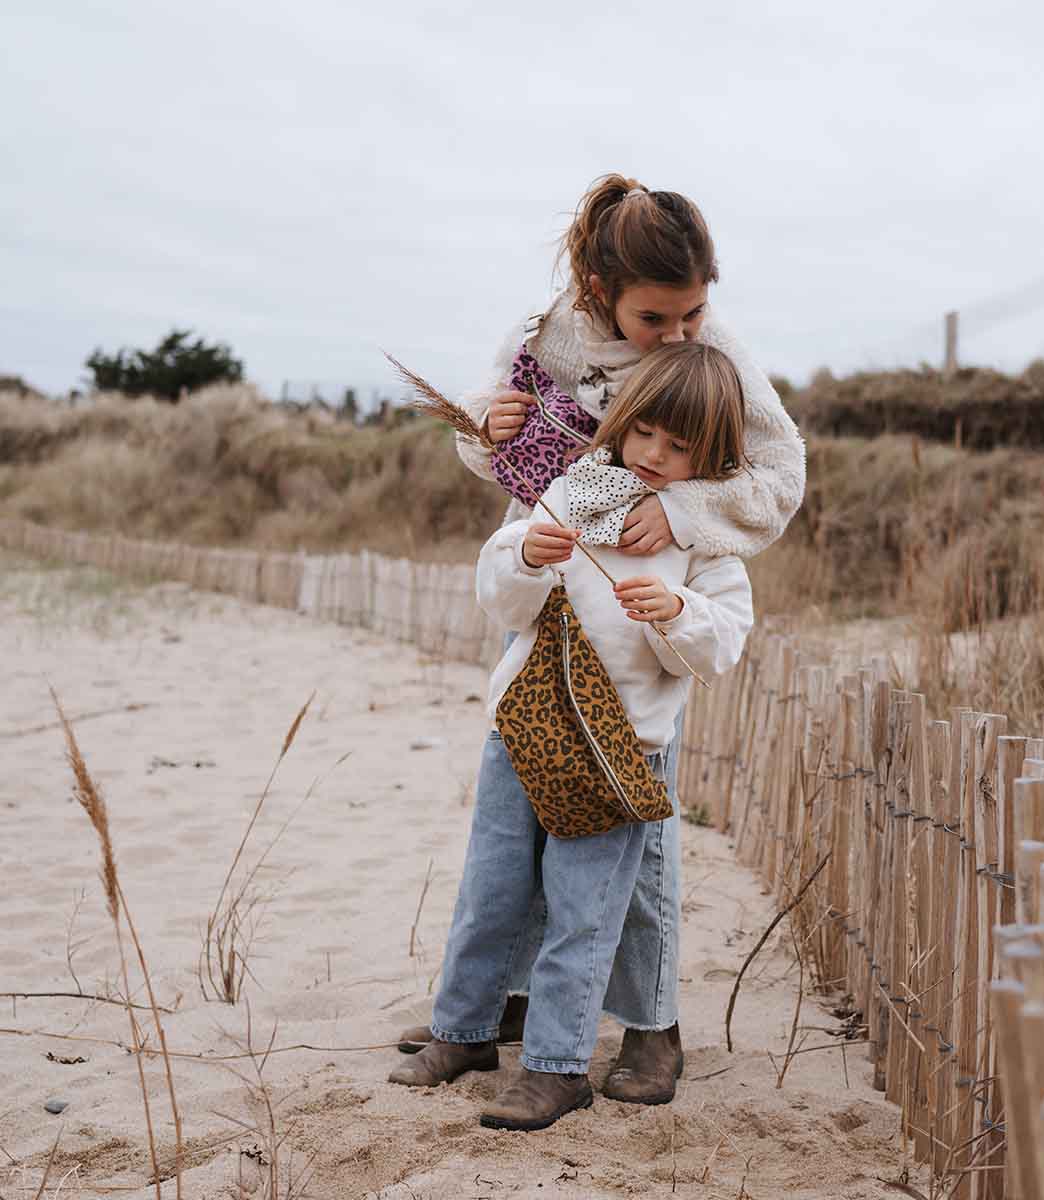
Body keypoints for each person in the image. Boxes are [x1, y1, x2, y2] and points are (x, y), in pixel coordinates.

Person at [392, 173, 806, 1106]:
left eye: (694, 313)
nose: (679, 335)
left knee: (633, 845)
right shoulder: (544, 335)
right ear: (597, 289)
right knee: (516, 842)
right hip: (551, 590)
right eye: (656, 318)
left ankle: (653, 1030)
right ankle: (498, 1006)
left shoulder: (713, 356)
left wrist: (683, 511)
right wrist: (483, 427)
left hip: (647, 616)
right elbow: (506, 451)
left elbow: (780, 476)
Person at [391, 342, 755, 1130]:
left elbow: (724, 639)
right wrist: (525, 555)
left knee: (581, 910)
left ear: (712, 457)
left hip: (617, 751)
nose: (653, 455)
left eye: (678, 446)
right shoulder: (574, 489)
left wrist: (678, 614)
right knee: (491, 889)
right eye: (644, 432)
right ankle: (464, 1032)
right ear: (621, 423)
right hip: (522, 728)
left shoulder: (705, 535)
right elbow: (502, 599)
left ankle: (556, 1067)